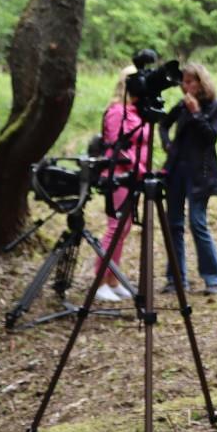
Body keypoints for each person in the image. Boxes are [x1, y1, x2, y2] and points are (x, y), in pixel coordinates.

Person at [159, 62, 217, 296]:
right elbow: (163, 124)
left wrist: (196, 113)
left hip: (201, 174)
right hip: (176, 171)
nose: (185, 87)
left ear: (200, 82)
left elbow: (210, 137)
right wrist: (167, 144)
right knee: (173, 225)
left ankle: (214, 278)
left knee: (197, 223)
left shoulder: (216, 106)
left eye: (190, 82)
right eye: (183, 82)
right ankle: (175, 279)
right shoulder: (181, 106)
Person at [93, 65, 152, 303]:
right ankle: (99, 281)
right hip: (119, 175)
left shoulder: (136, 111)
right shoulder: (117, 111)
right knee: (115, 227)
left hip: (133, 176)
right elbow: (118, 148)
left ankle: (112, 279)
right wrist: (141, 171)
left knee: (124, 229)